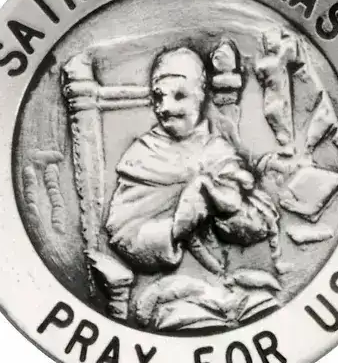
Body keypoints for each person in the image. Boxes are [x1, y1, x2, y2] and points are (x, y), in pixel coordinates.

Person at [105, 47, 281, 332]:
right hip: (172, 292)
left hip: (232, 283)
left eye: (179, 95)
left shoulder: (218, 151)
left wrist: (228, 209)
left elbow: (260, 224)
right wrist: (176, 227)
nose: (165, 107)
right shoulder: (142, 156)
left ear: (201, 95)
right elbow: (121, 234)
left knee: (263, 306)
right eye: (158, 97)